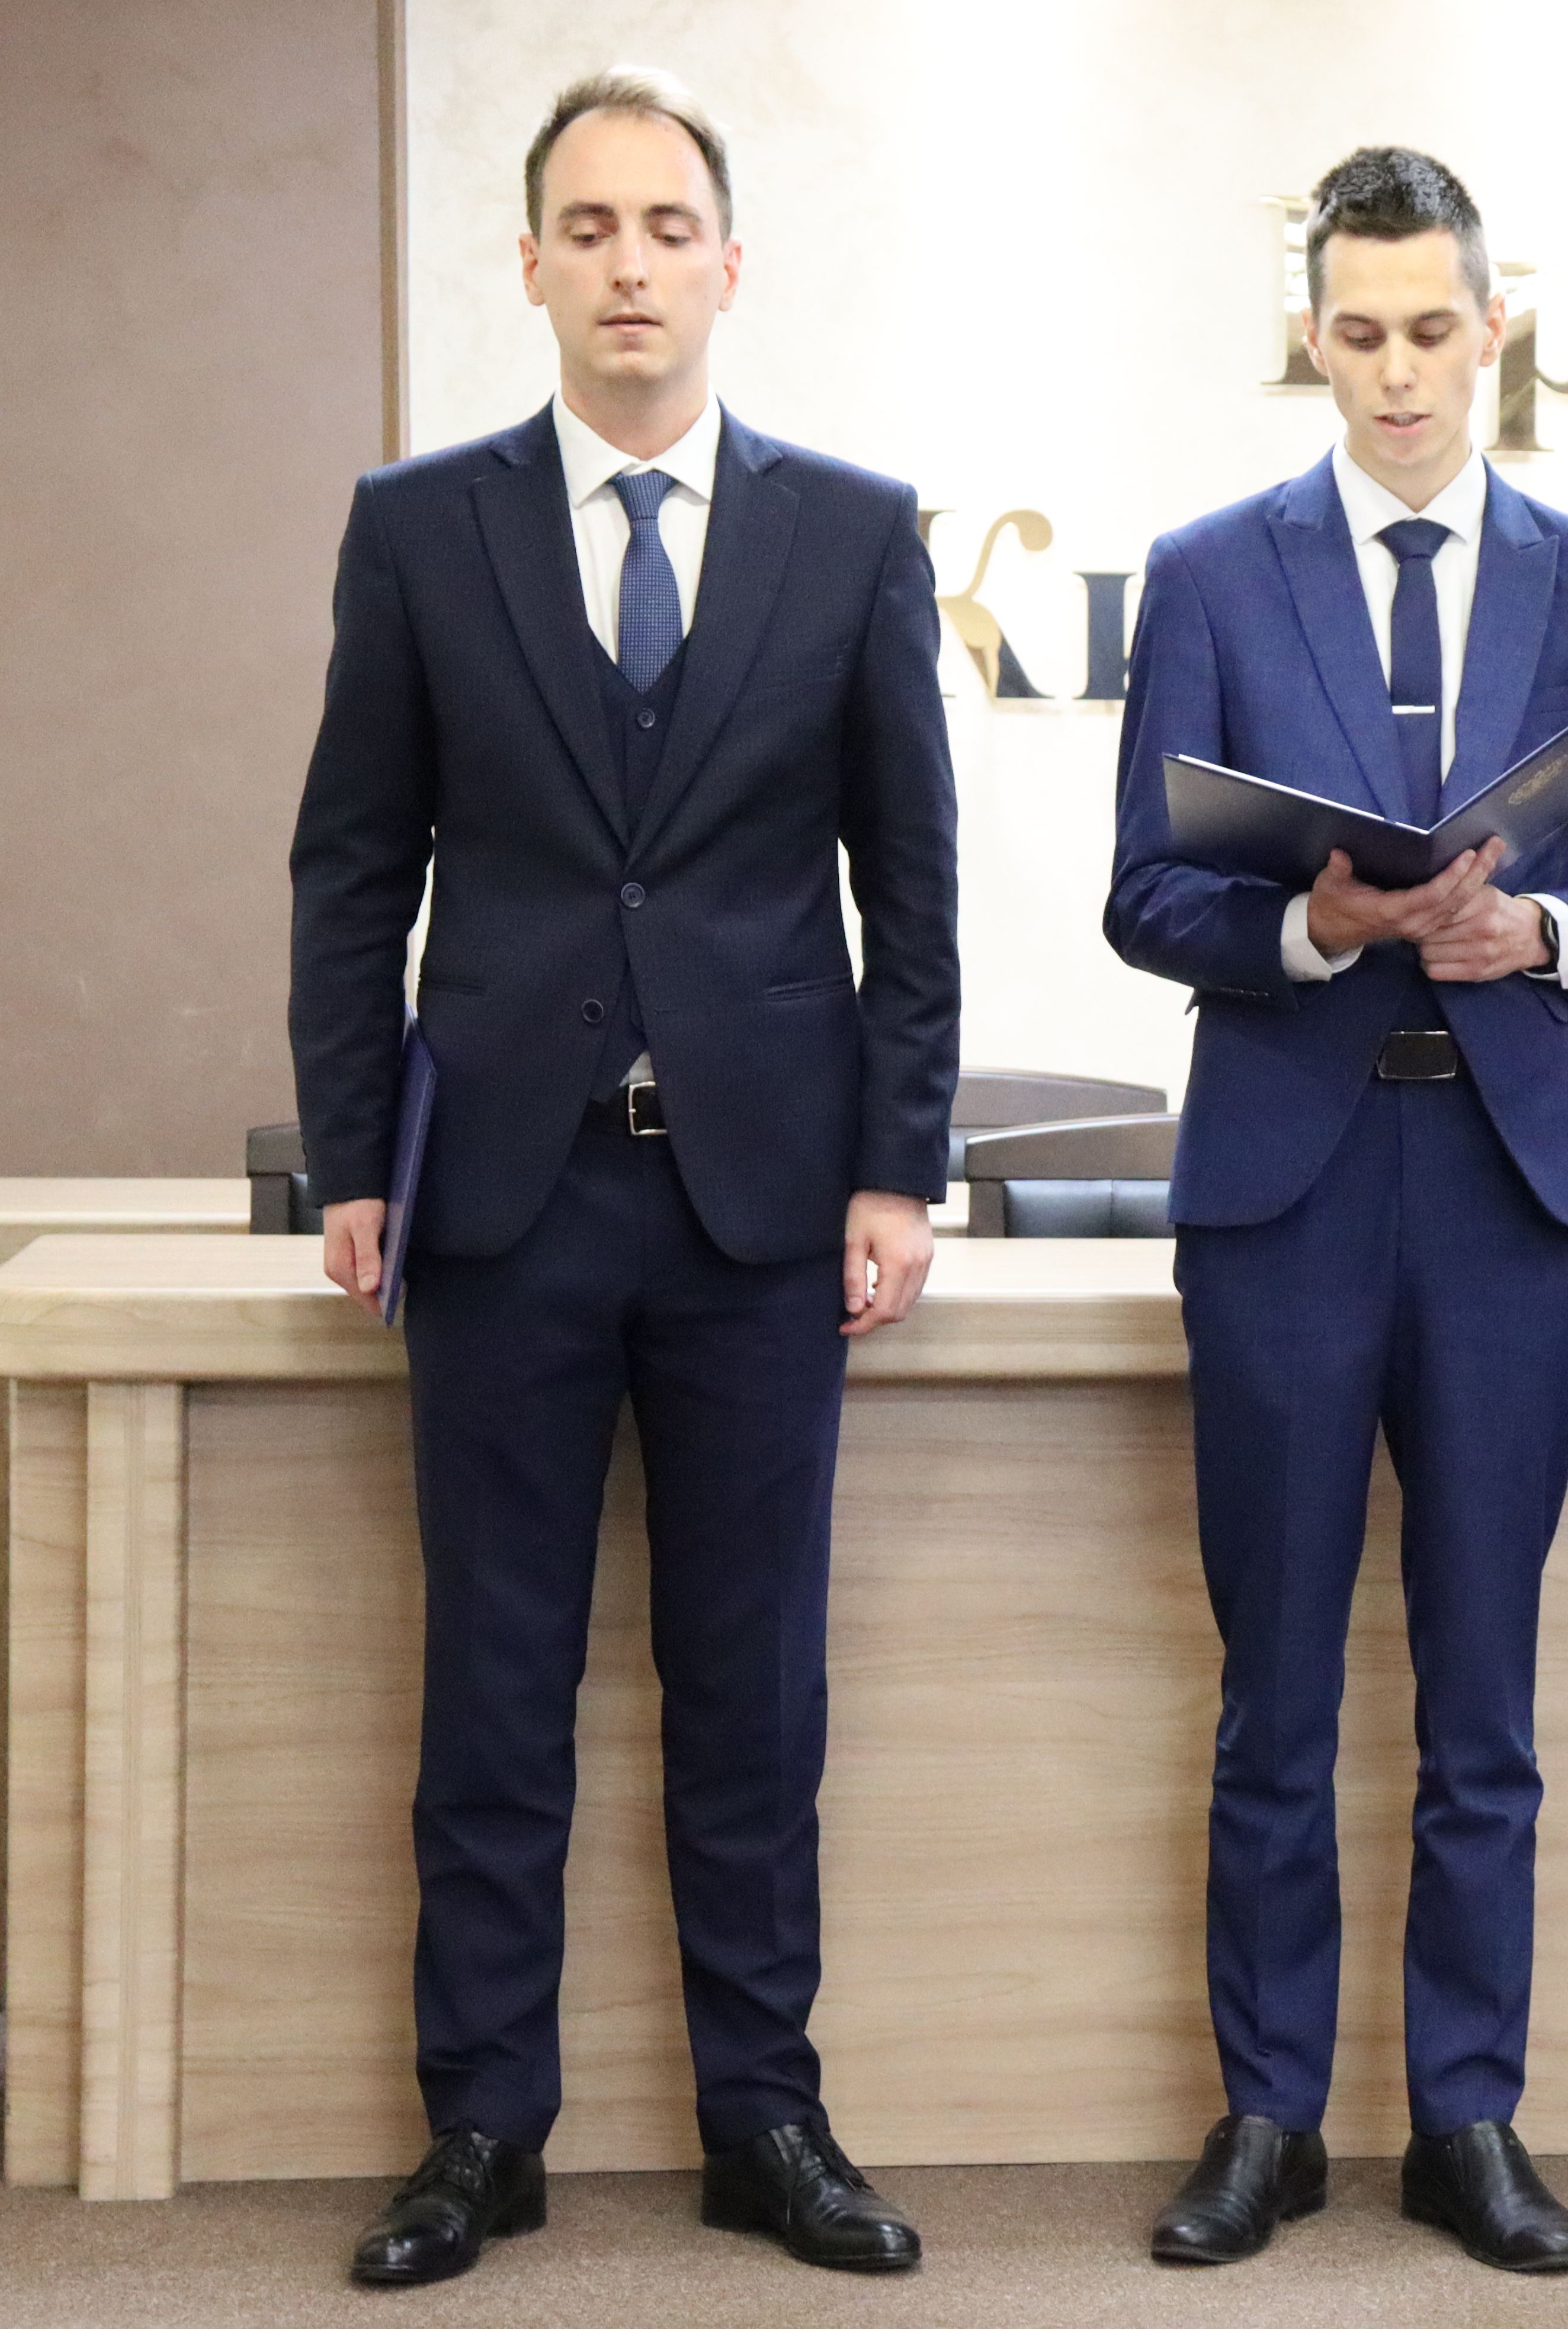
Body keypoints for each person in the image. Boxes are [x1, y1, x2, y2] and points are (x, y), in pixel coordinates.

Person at [287, 68, 955, 2285]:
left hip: (760, 1209)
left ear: (730, 265)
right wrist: (356, 1152)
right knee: (494, 1689)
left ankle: (767, 2116)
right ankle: (480, 2127)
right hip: (502, 1201)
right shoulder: (421, 526)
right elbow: (353, 865)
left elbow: (911, 882)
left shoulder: (850, 531)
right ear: (531, 265)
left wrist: (899, 1165)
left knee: (752, 1694)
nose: (630, 264)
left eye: (668, 226)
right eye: (589, 227)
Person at [1105, 145, 1568, 2275]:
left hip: (1500, 1187)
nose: (1395, 372)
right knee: (1272, 1690)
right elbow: (1146, 891)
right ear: (1311, 336)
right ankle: (1267, 2114)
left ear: (1492, 326)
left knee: (1485, 1698)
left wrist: (1544, 931)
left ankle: (1469, 2114)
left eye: (1430, 330)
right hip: (1281, 1186)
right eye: (1356, 335)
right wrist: (1312, 925)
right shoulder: (1211, 572)